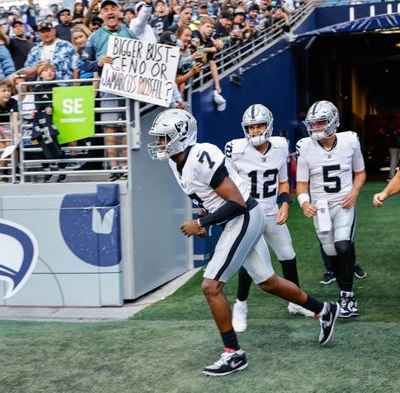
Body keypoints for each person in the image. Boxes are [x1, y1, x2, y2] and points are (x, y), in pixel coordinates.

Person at [148, 108, 339, 376]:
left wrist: (202, 223)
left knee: (211, 286)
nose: (159, 143)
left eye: (163, 138)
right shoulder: (175, 161)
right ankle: (324, 309)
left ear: (181, 136)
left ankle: (233, 353)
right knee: (268, 282)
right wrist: (205, 216)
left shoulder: (201, 156)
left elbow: (236, 202)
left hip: (245, 215)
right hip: (236, 218)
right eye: (159, 138)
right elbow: (208, 198)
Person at [224, 104, 313, 333]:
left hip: (272, 211)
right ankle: (240, 306)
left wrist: (284, 204)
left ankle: (297, 301)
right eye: (251, 127)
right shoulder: (236, 150)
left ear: (268, 126)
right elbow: (228, 185)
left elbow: (283, 182)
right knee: (250, 260)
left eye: (259, 125)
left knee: (288, 255)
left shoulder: (280, 146)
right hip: (249, 213)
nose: (255, 131)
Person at [296, 100, 366, 318]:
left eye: (321, 122)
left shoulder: (349, 141)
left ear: (333, 120)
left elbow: (360, 173)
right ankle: (344, 288)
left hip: (343, 203)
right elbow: (301, 184)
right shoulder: (305, 147)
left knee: (344, 246)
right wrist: (305, 203)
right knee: (332, 253)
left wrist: (354, 192)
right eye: (313, 123)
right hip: (321, 208)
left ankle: (347, 296)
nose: (316, 127)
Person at [82, 0, 137, 180]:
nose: (110, 12)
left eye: (113, 8)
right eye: (106, 9)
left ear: (119, 11)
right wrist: (98, 63)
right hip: (108, 86)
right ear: (101, 14)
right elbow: (84, 64)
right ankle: (115, 169)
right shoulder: (94, 37)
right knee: (111, 128)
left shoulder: (130, 33)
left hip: (131, 87)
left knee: (127, 126)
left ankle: (127, 167)